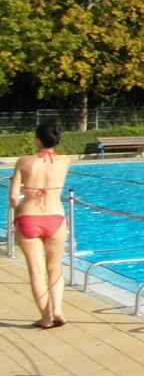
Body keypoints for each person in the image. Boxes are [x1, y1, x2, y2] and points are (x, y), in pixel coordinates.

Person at [9, 123, 72, 328]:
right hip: (55, 217)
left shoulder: (24, 162)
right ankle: (58, 310)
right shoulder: (65, 161)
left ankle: (45, 318)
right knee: (55, 267)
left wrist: (17, 212)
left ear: (37, 140)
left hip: (28, 217)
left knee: (36, 271)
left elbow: (12, 196)